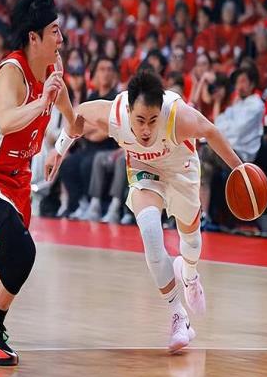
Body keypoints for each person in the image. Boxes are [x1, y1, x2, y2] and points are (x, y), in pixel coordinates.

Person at [45, 70, 242, 352]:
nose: (146, 130)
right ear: (128, 111)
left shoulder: (178, 116)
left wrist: (240, 170)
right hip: (145, 171)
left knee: (191, 241)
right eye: (140, 120)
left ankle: (189, 274)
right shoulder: (115, 113)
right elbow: (80, 114)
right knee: (150, 232)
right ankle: (178, 315)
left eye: (152, 120)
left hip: (181, 170)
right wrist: (59, 150)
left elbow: (210, 131)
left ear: (161, 111)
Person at [0, 0, 76, 366]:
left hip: (19, 176)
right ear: (34, 37)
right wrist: (42, 101)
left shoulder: (53, 68)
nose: (61, 38)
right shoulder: (11, 72)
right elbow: (7, 120)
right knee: (23, 251)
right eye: (55, 31)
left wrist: (62, 142)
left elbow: (69, 113)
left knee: (13, 246)